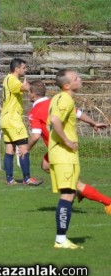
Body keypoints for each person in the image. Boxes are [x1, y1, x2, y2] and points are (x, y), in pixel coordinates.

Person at [27, 80, 110, 214]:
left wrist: (26, 148)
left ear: (32, 94)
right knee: (45, 165)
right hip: (59, 148)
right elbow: (78, 113)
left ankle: (108, 202)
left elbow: (36, 135)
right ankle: (77, 189)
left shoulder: (35, 111)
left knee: (75, 184)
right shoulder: (55, 101)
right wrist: (93, 122)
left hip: (61, 149)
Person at [48, 69, 94, 249]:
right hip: (64, 154)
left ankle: (61, 238)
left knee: (70, 193)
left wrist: (93, 123)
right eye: (77, 78)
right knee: (67, 195)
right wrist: (67, 140)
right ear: (67, 85)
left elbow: (76, 113)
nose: (80, 79)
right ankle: (61, 239)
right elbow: (55, 120)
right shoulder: (65, 99)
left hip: (61, 154)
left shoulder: (60, 98)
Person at [0, 58, 41, 186]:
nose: (25, 70)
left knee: (9, 150)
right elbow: (23, 88)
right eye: (24, 68)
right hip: (13, 120)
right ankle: (27, 178)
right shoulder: (12, 80)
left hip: (6, 119)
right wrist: (27, 86)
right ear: (17, 69)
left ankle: (9, 179)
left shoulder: (7, 79)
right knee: (24, 148)